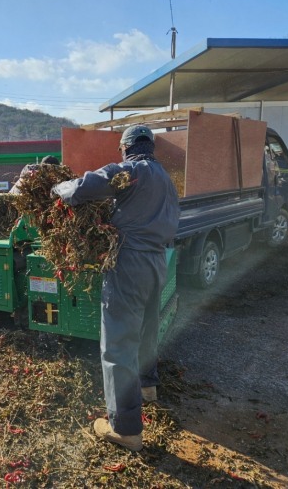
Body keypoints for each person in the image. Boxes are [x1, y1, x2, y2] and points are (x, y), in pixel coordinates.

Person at [51, 124, 179, 451]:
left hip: (129, 263)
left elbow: (84, 188)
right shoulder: (165, 179)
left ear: (125, 148)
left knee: (119, 342)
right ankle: (148, 387)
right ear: (151, 146)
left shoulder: (130, 170)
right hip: (156, 261)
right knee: (148, 327)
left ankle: (125, 428)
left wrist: (58, 187)